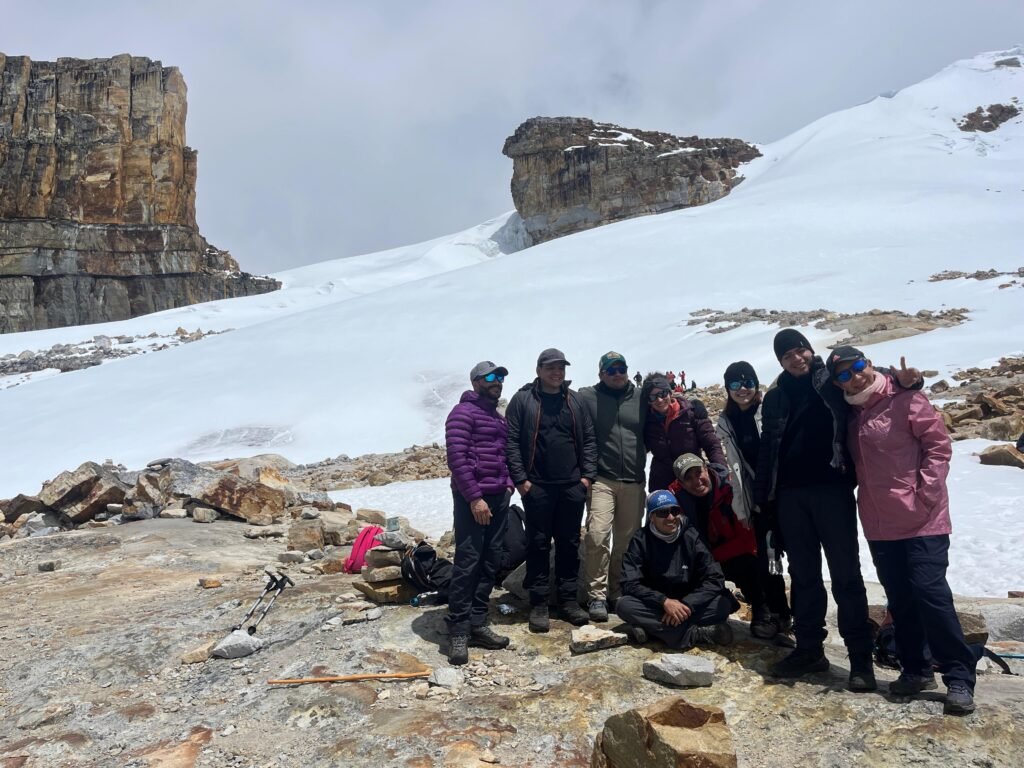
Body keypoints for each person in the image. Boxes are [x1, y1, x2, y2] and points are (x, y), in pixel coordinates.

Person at [754, 329, 922, 691]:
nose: (796, 358)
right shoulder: (776, 397)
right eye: (787, 356)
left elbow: (870, 382)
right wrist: (764, 502)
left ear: (809, 350)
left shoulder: (831, 379)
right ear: (780, 362)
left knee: (846, 575)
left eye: (799, 350)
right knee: (803, 576)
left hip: (832, 490)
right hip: (790, 496)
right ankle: (810, 649)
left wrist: (909, 382)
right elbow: (769, 450)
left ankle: (860, 658)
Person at [829, 346, 976, 715]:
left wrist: (925, 493)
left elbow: (938, 447)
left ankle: (958, 676)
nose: (854, 377)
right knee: (901, 599)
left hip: (923, 519)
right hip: (880, 524)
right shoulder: (851, 413)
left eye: (857, 367)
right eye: (843, 375)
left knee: (930, 593)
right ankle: (915, 668)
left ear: (869, 363)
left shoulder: (905, 397)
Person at [506, 348, 597, 632]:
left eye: (561, 368)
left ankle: (569, 600)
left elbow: (590, 439)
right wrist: (521, 481)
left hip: (571, 485)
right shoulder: (523, 400)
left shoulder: (575, 401)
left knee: (569, 543)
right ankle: (539, 603)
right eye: (551, 368)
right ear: (539, 371)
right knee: (538, 544)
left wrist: (586, 479)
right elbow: (511, 442)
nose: (557, 373)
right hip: (538, 486)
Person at [444, 361, 515, 665]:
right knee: (469, 560)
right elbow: (456, 458)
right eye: (490, 376)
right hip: (474, 499)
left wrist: (509, 484)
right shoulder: (462, 414)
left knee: (490, 559)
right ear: (475, 382)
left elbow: (503, 455)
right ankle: (458, 629)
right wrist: (475, 498)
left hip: (499, 496)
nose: (497, 381)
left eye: (499, 376)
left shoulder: (496, 417)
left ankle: (477, 620)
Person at [715, 361, 791, 637]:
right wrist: (743, 507)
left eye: (748, 383)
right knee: (767, 560)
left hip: (784, 495)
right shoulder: (728, 421)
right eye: (735, 384)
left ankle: (800, 623)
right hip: (758, 501)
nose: (742, 389)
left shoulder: (768, 409)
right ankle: (778, 615)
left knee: (796, 558)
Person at [670, 453, 782, 639]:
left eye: (699, 473)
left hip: (729, 553)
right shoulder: (675, 499)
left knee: (747, 563)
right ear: (680, 483)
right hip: (700, 556)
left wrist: (711, 557)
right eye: (688, 479)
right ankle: (721, 601)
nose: (696, 481)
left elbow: (747, 540)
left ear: (707, 468)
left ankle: (762, 610)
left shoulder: (731, 490)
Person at [616, 490, 738, 648]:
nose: (671, 518)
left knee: (723, 604)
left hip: (688, 603)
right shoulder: (641, 540)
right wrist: (663, 601)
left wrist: (687, 604)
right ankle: (695, 634)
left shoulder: (692, 536)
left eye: (675, 511)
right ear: (651, 517)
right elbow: (629, 582)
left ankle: (651, 628)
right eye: (662, 513)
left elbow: (715, 578)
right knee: (623, 605)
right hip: (658, 603)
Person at [578, 352, 647, 622]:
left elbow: (666, 405)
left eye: (621, 368)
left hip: (633, 479)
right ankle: (596, 595)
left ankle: (616, 592)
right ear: (601, 374)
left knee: (626, 541)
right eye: (611, 370)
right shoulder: (587, 396)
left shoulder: (641, 397)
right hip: (602, 479)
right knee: (596, 534)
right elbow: (559, 393)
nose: (617, 373)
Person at [642, 373, 726, 492]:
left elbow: (711, 444)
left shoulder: (691, 412)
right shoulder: (646, 421)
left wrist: (720, 472)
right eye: (652, 397)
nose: (659, 400)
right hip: (662, 484)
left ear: (670, 392)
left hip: (694, 479)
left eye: (663, 393)